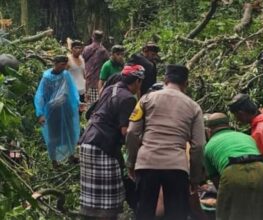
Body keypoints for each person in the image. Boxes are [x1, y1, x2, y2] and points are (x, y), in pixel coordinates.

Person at [126, 64, 205, 220]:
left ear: (165, 80)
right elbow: (198, 146)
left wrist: (131, 162)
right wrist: (195, 178)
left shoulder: (146, 99)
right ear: (186, 83)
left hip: (147, 163)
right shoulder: (194, 107)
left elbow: (132, 133)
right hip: (176, 167)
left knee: (145, 213)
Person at [78, 64, 145, 220]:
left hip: (87, 143)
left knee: (93, 197)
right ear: (137, 82)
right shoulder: (128, 98)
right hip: (103, 146)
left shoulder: (110, 89)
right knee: (109, 201)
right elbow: (126, 132)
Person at [203, 112, 263, 220]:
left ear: (209, 130)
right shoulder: (247, 137)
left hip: (233, 172)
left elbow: (217, 181)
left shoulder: (208, 147)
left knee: (228, 213)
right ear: (228, 125)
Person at [34, 55, 80, 167]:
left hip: (66, 108)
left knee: (70, 132)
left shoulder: (65, 75)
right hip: (53, 112)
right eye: (62, 64)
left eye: (65, 64)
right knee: (53, 136)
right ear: (55, 63)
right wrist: (40, 114)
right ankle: (54, 160)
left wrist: (77, 103)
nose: (64, 67)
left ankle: (71, 156)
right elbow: (40, 96)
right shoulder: (47, 78)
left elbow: (72, 90)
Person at [82, 30, 109, 105]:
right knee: (96, 105)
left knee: (87, 104)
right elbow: (108, 61)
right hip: (97, 82)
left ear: (92, 37)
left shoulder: (86, 49)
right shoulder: (103, 51)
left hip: (86, 81)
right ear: (101, 39)